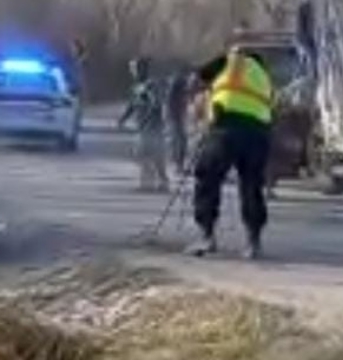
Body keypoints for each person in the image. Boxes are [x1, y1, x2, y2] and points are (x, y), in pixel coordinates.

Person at [187, 45, 275, 260]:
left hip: (225, 128)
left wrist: (201, 103)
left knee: (207, 176)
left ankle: (206, 236)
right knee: (252, 185)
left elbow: (196, 78)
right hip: (257, 134)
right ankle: (253, 242)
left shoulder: (230, 60)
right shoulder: (264, 77)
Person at [118, 57, 169, 193]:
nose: (132, 72)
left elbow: (156, 104)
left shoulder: (150, 85)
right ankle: (148, 183)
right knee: (144, 155)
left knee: (152, 155)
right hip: (142, 126)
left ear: (142, 69)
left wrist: (147, 119)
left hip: (152, 126)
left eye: (134, 69)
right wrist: (123, 119)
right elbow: (133, 105)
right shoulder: (136, 87)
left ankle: (159, 183)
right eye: (132, 69)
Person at [164, 68, 192, 174]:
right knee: (179, 141)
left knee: (180, 141)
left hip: (177, 117)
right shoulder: (177, 84)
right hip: (174, 118)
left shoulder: (179, 84)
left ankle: (178, 165)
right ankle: (177, 166)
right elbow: (171, 104)